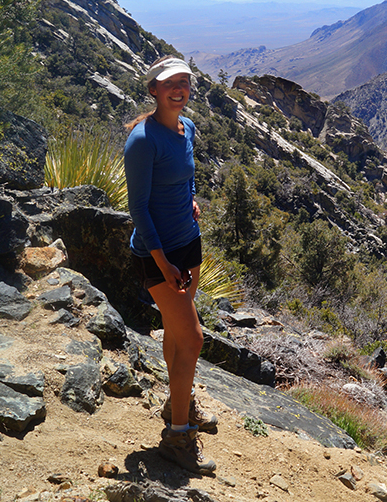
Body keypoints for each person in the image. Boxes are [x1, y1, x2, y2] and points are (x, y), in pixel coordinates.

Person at [124, 56, 217, 474]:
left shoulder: (187, 127)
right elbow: (138, 210)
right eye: (170, 84)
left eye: (185, 82)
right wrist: (162, 264)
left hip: (187, 241)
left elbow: (187, 174)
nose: (179, 89)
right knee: (193, 339)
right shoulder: (143, 141)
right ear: (154, 91)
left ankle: (176, 404)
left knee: (179, 335)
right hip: (156, 252)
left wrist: (191, 198)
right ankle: (179, 438)